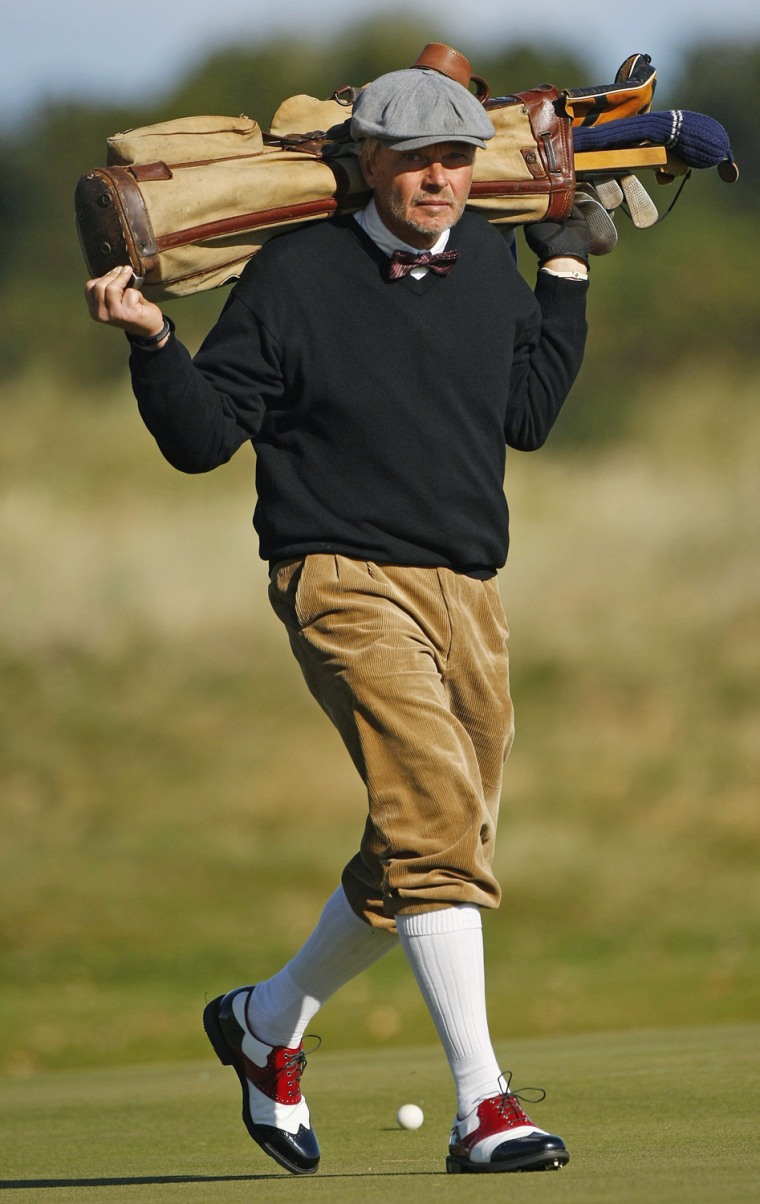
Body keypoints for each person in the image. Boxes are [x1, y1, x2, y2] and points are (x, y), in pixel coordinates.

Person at [85, 61, 593, 1176]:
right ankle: (485, 1105)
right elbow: (205, 437)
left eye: (457, 157)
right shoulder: (296, 274)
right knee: (435, 832)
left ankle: (265, 1023)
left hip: (470, 590)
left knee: (434, 839)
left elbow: (528, 413)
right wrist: (152, 342)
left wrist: (561, 276)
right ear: (367, 161)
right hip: (338, 577)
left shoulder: (485, 272)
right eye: (416, 158)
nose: (440, 179)